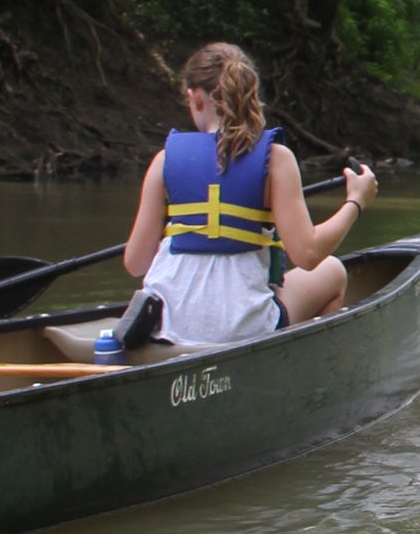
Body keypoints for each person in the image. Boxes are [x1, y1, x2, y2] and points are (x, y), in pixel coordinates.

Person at [121, 42, 378, 343]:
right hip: (241, 327)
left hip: (167, 326)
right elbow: (307, 254)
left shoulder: (164, 160)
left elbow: (136, 263)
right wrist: (356, 201)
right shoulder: (277, 159)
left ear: (194, 98)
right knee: (332, 271)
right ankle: (301, 368)